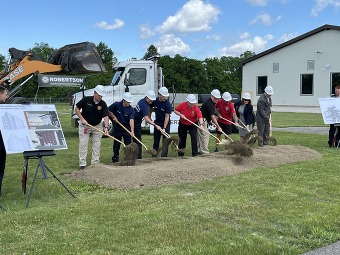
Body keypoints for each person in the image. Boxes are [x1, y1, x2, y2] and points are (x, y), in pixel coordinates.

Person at [74, 85, 109, 169]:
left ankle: (95, 164)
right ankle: (82, 164)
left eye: (101, 96)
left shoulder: (103, 104)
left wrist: (106, 128)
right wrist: (82, 119)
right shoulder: (86, 100)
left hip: (97, 126)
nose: (100, 97)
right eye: (99, 95)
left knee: (97, 145)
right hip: (85, 126)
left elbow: (106, 116)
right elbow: (76, 109)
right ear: (95, 93)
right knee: (83, 144)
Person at [108, 92, 135, 163]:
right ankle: (115, 158)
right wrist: (113, 116)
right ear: (124, 100)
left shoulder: (131, 110)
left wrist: (132, 131)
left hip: (127, 128)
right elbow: (109, 110)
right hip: (118, 127)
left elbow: (131, 120)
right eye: (128, 102)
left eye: (129, 102)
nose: (129, 103)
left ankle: (127, 158)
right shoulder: (116, 105)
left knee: (128, 144)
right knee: (116, 144)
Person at [134, 90, 161, 159]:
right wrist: (155, 125)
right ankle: (138, 157)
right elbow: (146, 118)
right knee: (138, 140)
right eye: (151, 100)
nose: (152, 102)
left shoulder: (142, 101)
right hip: (135, 122)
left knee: (136, 139)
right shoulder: (144, 105)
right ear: (147, 98)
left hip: (136, 120)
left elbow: (148, 114)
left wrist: (149, 117)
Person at [197, 89, 222, 154]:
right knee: (205, 135)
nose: (217, 100)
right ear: (212, 96)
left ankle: (199, 150)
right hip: (202, 120)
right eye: (215, 98)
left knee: (201, 136)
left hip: (203, 120)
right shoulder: (209, 104)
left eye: (218, 98)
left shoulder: (211, 103)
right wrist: (218, 126)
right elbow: (212, 116)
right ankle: (205, 152)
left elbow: (210, 115)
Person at [151, 87, 172, 157]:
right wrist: (149, 116)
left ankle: (164, 155)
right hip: (157, 122)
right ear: (159, 95)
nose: (165, 98)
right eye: (164, 96)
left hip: (165, 123)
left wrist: (164, 128)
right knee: (156, 140)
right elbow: (150, 108)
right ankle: (154, 154)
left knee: (165, 140)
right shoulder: (155, 101)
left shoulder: (168, 104)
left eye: (166, 96)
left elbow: (167, 116)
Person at [0, 85, 8, 196]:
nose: (7, 97)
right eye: (6, 95)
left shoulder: (4, 107)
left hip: (3, 143)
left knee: (1, 167)